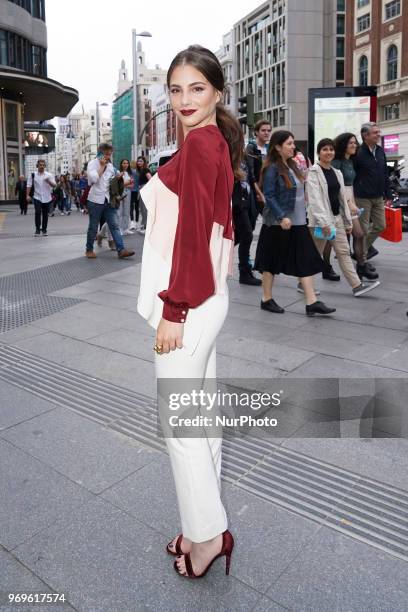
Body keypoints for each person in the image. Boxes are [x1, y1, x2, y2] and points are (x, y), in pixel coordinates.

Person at [137, 45, 239, 579]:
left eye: (196, 88)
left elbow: (195, 235)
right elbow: (221, 226)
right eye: (175, 89)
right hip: (209, 300)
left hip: (190, 305)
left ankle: (207, 538)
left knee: (182, 428)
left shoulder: (202, 145)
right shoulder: (213, 141)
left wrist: (174, 309)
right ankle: (206, 525)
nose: (184, 99)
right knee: (200, 421)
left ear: (217, 92)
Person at [254, 130, 335, 316]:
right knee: (270, 263)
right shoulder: (272, 167)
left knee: (305, 260)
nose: (293, 147)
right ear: (277, 147)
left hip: (298, 223)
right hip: (278, 224)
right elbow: (270, 195)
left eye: (293, 143)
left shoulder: (291, 165)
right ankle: (266, 299)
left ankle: (312, 302)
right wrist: (282, 216)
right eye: (289, 143)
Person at [307, 138, 380, 298]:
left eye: (331, 149)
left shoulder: (337, 173)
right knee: (315, 254)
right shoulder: (313, 173)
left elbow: (343, 199)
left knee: (344, 252)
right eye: (325, 149)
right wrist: (324, 222)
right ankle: (304, 284)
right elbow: (315, 201)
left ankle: (357, 286)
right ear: (319, 152)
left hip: (336, 219)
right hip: (321, 222)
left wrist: (347, 221)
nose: (328, 152)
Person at [333, 133, 378, 281]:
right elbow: (337, 187)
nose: (355, 145)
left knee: (359, 234)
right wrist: (348, 203)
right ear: (343, 145)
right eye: (351, 143)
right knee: (327, 242)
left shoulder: (350, 161)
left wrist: (353, 203)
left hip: (350, 200)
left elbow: (350, 185)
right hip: (340, 202)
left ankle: (361, 266)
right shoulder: (337, 162)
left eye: (355, 143)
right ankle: (325, 266)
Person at [85, 143, 135, 259]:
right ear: (100, 153)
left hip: (109, 201)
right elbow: (92, 180)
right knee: (93, 226)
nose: (108, 156)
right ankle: (89, 249)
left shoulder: (111, 166)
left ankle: (121, 250)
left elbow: (115, 180)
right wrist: (102, 166)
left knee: (114, 225)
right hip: (95, 200)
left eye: (110, 154)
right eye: (106, 154)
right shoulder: (92, 164)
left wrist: (121, 179)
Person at [353, 122, 392, 261]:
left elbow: (384, 173)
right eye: (375, 132)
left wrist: (388, 194)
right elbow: (352, 175)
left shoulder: (380, 151)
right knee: (363, 229)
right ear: (365, 135)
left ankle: (360, 250)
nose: (378, 134)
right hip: (362, 197)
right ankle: (361, 259)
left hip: (378, 196)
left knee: (381, 226)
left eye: (378, 132)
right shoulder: (357, 152)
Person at [232, 155, 261, 285]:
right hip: (238, 202)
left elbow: (252, 178)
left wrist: (258, 193)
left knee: (239, 237)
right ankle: (244, 272)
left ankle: (213, 259)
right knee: (247, 235)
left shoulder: (245, 157)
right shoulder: (228, 155)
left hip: (249, 201)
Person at [245, 119, 272, 208]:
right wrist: (259, 193)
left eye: (269, 130)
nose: (266, 133)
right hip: (255, 191)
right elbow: (250, 174)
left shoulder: (269, 148)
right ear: (256, 132)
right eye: (263, 130)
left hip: (267, 190)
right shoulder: (251, 147)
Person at [26, 160, 56, 236]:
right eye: (40, 165)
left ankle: (44, 230)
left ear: (45, 166)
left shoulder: (49, 175)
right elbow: (29, 185)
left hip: (47, 198)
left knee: (45, 214)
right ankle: (37, 229)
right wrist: (27, 195)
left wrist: (48, 181)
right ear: (37, 166)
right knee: (38, 212)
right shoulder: (33, 175)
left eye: (43, 165)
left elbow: (54, 185)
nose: (42, 166)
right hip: (37, 197)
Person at [135, 156, 152, 234]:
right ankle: (143, 225)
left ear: (144, 162)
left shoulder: (145, 170)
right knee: (142, 208)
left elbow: (150, 179)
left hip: (144, 188)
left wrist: (146, 188)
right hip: (141, 189)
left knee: (144, 208)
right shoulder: (140, 170)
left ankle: (146, 226)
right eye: (138, 161)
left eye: (141, 161)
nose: (139, 163)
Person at [117, 159, 133, 235]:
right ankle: (119, 229)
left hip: (128, 192)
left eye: (127, 163)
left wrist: (125, 184)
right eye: (124, 163)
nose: (126, 164)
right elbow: (118, 185)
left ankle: (126, 228)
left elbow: (132, 185)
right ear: (121, 164)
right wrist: (127, 183)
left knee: (127, 211)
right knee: (120, 211)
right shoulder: (118, 173)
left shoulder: (130, 173)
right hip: (120, 192)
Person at [129, 163, 140, 230]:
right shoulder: (138, 172)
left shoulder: (130, 173)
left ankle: (132, 222)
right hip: (137, 191)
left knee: (131, 207)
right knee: (137, 208)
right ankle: (136, 222)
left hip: (131, 191)